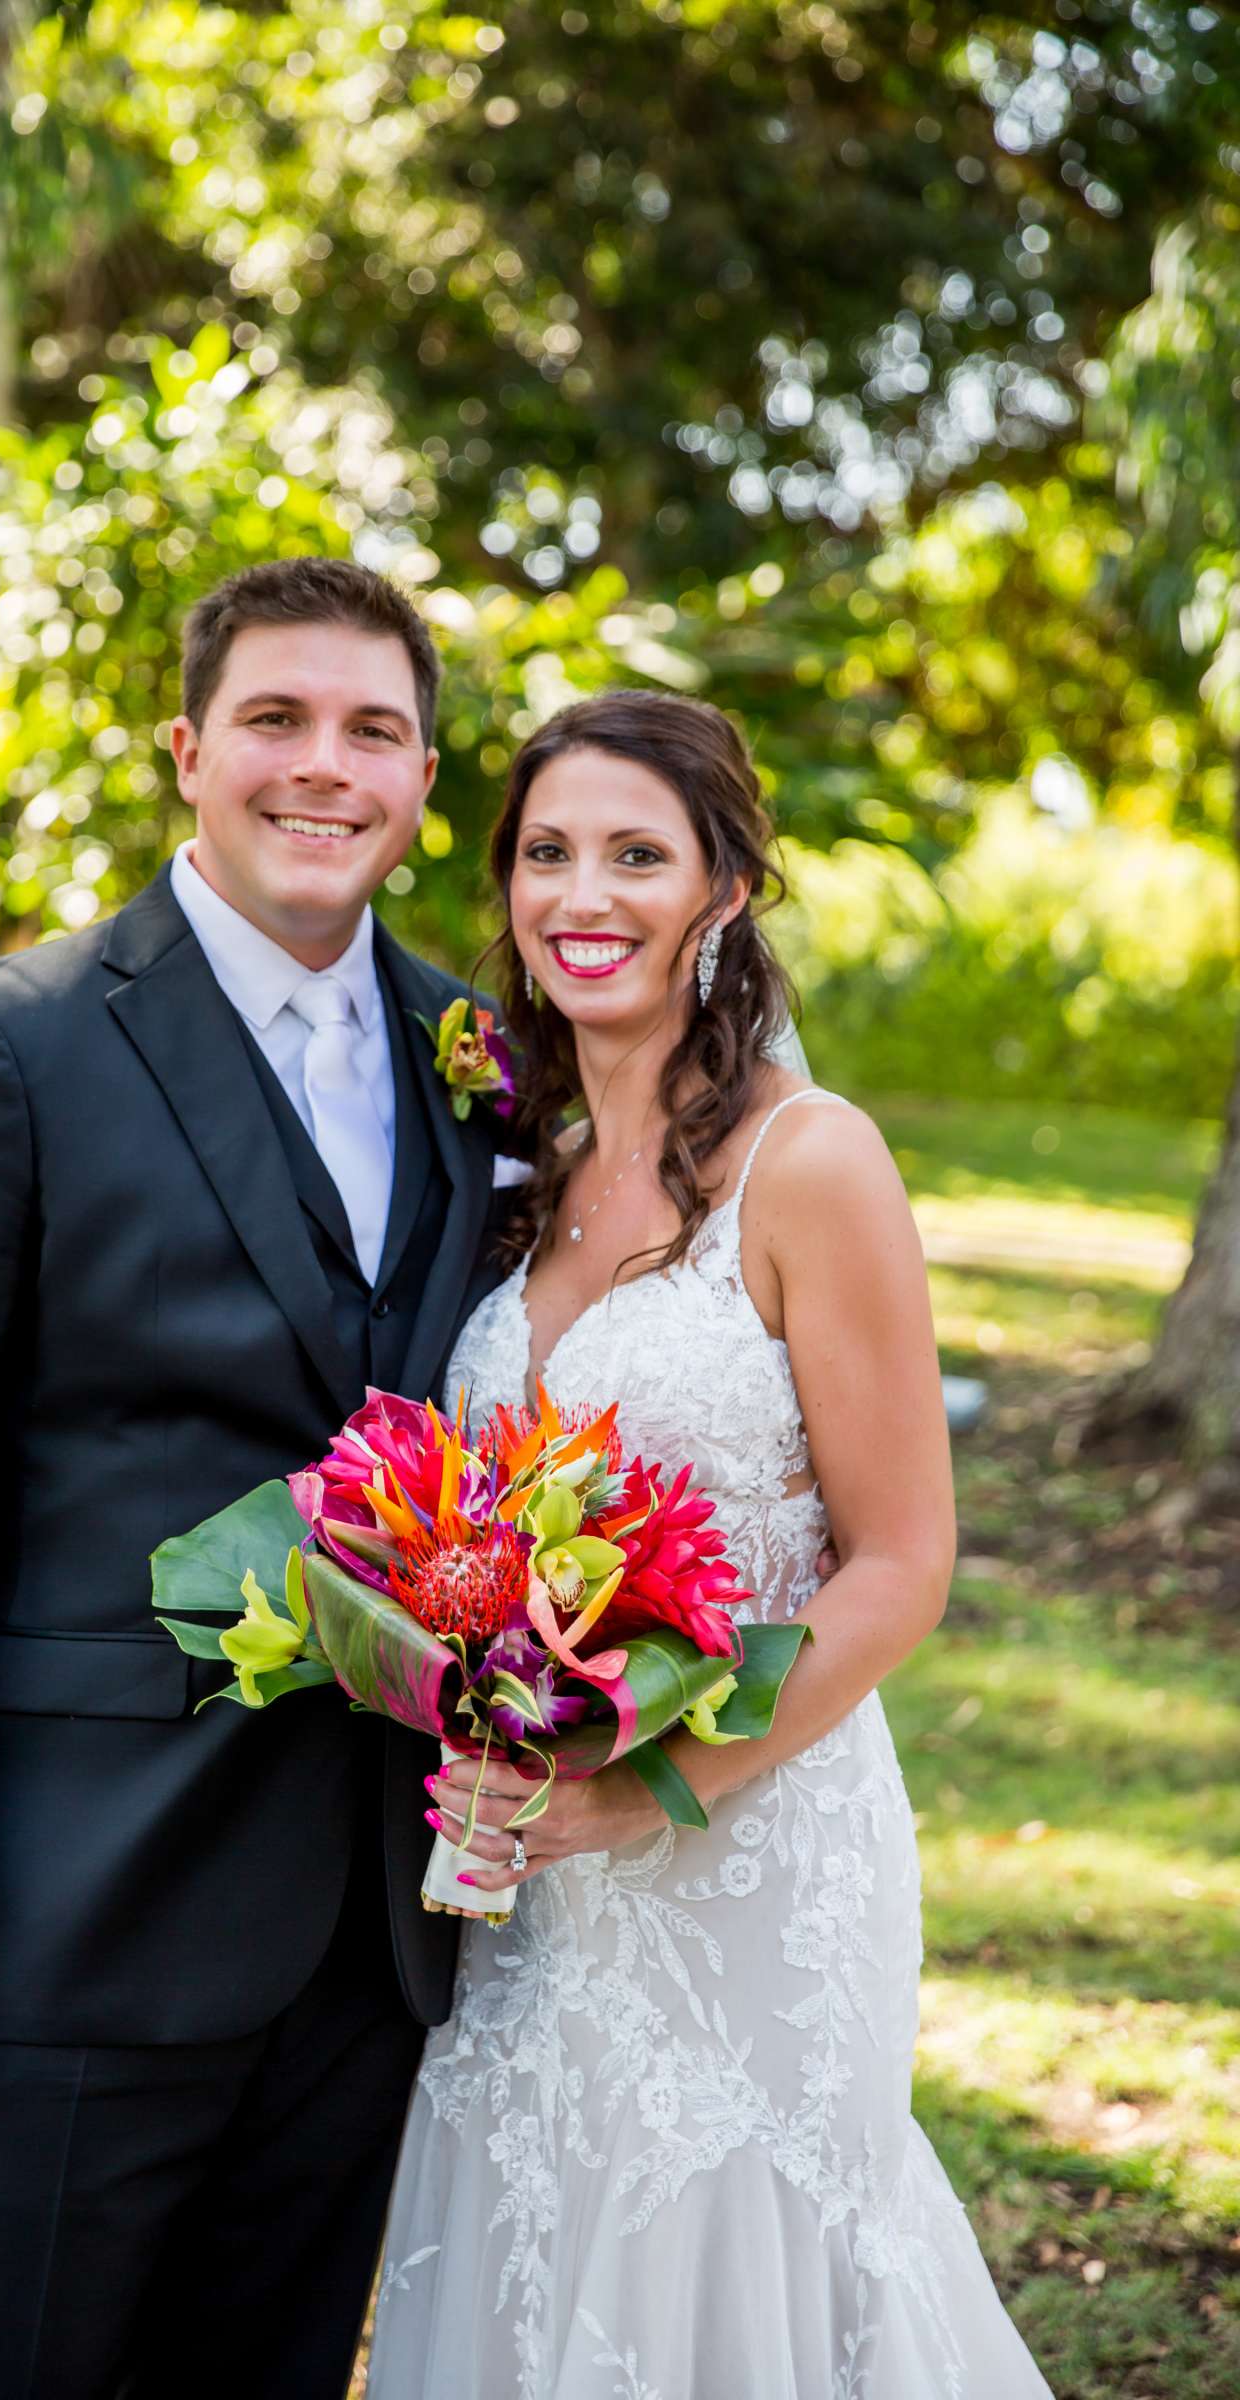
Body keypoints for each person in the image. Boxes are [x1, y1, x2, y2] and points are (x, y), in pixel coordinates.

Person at [0, 559, 515, 2398]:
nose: (322, 768)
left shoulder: (481, 1069)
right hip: (73, 1918)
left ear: (424, 783)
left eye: (373, 731)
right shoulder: (7, 1045)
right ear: (191, 752)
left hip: (374, 1932)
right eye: (275, 719)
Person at [366, 690, 1054, 2398]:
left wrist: (647, 1788)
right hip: (529, 1874)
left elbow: (899, 1563)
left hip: (749, 1851)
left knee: (738, 2267)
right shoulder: (514, 1164)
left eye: (635, 855)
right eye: (545, 853)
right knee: (532, 2238)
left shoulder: (810, 1165)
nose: (580, 895)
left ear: (724, 890)